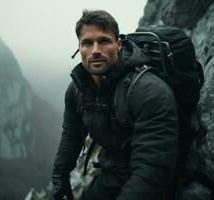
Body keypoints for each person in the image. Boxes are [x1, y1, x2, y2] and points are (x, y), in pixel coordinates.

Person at [52, 10, 179, 200]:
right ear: (79, 48)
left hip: (153, 181)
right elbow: (71, 135)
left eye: (103, 41)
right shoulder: (78, 90)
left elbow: (151, 167)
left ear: (118, 44)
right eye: (87, 43)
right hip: (111, 173)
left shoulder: (149, 91)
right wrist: (59, 175)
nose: (95, 50)